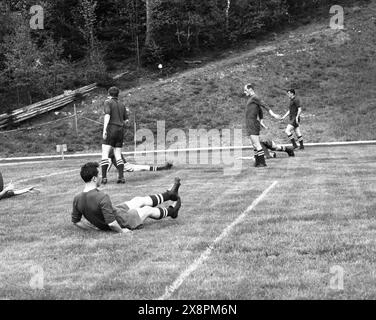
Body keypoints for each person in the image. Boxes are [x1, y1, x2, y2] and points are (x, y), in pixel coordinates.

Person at [71, 162, 181, 233]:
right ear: (94, 179)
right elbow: (112, 223)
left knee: (138, 200)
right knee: (147, 210)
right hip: (123, 220)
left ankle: (169, 195)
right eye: (100, 175)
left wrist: (95, 229)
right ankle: (172, 211)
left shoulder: (77, 198)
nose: (102, 177)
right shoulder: (101, 197)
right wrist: (122, 231)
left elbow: (76, 221)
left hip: (116, 211)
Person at [244, 84, 281, 167]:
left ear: (250, 89)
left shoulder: (254, 97)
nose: (244, 92)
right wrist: (261, 120)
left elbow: (264, 105)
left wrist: (273, 114)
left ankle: (262, 163)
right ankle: (258, 162)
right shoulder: (251, 99)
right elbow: (260, 110)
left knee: (257, 144)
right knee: (254, 144)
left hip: (252, 123)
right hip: (251, 123)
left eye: (245, 90)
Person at [101, 87, 129, 185]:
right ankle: (121, 177)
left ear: (109, 93)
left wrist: (105, 129)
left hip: (111, 129)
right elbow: (126, 120)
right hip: (120, 130)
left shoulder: (107, 102)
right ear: (118, 94)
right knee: (118, 154)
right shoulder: (122, 104)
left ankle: (104, 178)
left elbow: (107, 115)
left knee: (105, 153)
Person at [107, 148, 173, 173]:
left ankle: (163, 168)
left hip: (127, 165)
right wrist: (105, 173)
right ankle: (163, 168)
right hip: (126, 168)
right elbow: (110, 162)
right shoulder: (111, 150)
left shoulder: (114, 149)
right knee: (144, 167)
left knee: (144, 167)